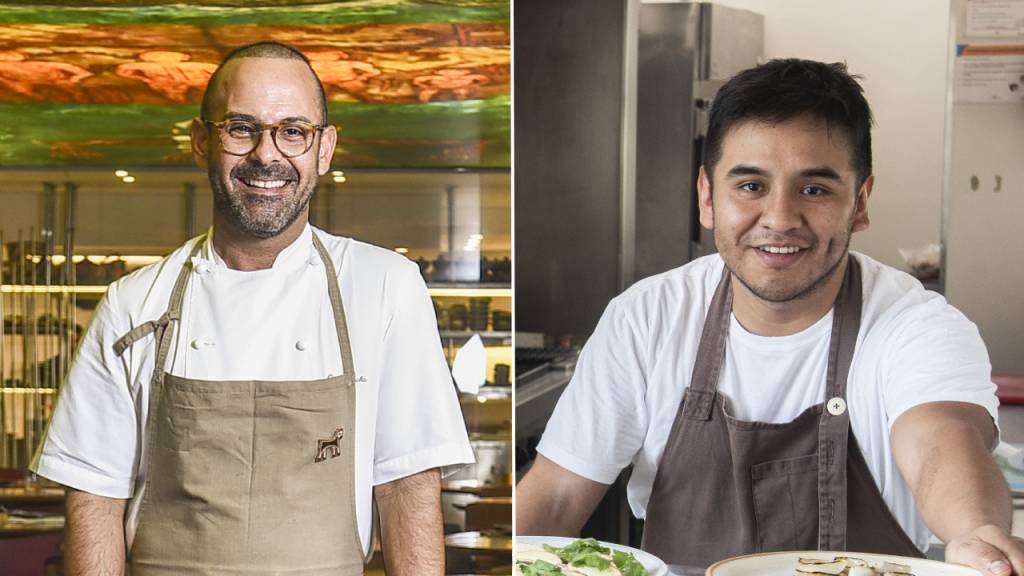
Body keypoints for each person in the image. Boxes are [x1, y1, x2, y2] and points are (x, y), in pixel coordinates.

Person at [516, 59, 1023, 575]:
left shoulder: (916, 325)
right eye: (751, 186)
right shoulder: (646, 318)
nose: (779, 220)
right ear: (707, 197)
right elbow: (557, 495)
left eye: (815, 189)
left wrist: (976, 532)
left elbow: (941, 439)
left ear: (861, 202)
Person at [31, 41, 473, 576]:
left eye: (293, 131)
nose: (267, 155)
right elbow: (95, 496)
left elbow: (406, 484)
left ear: (325, 149)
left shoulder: (384, 287)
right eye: (241, 128)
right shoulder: (132, 303)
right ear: (201, 142)